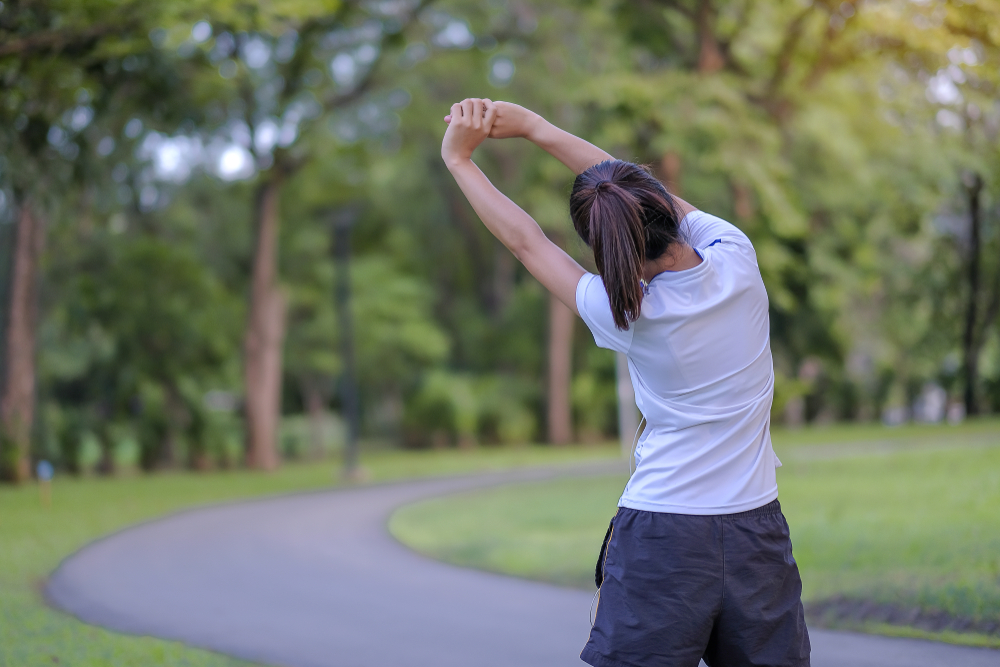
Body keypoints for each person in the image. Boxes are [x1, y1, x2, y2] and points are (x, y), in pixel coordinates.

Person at [441, 98, 810, 667]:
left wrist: (462, 162)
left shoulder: (625, 313)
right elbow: (634, 191)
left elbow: (527, 242)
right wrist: (539, 129)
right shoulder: (736, 255)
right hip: (756, 536)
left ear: (610, 249)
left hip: (662, 538)